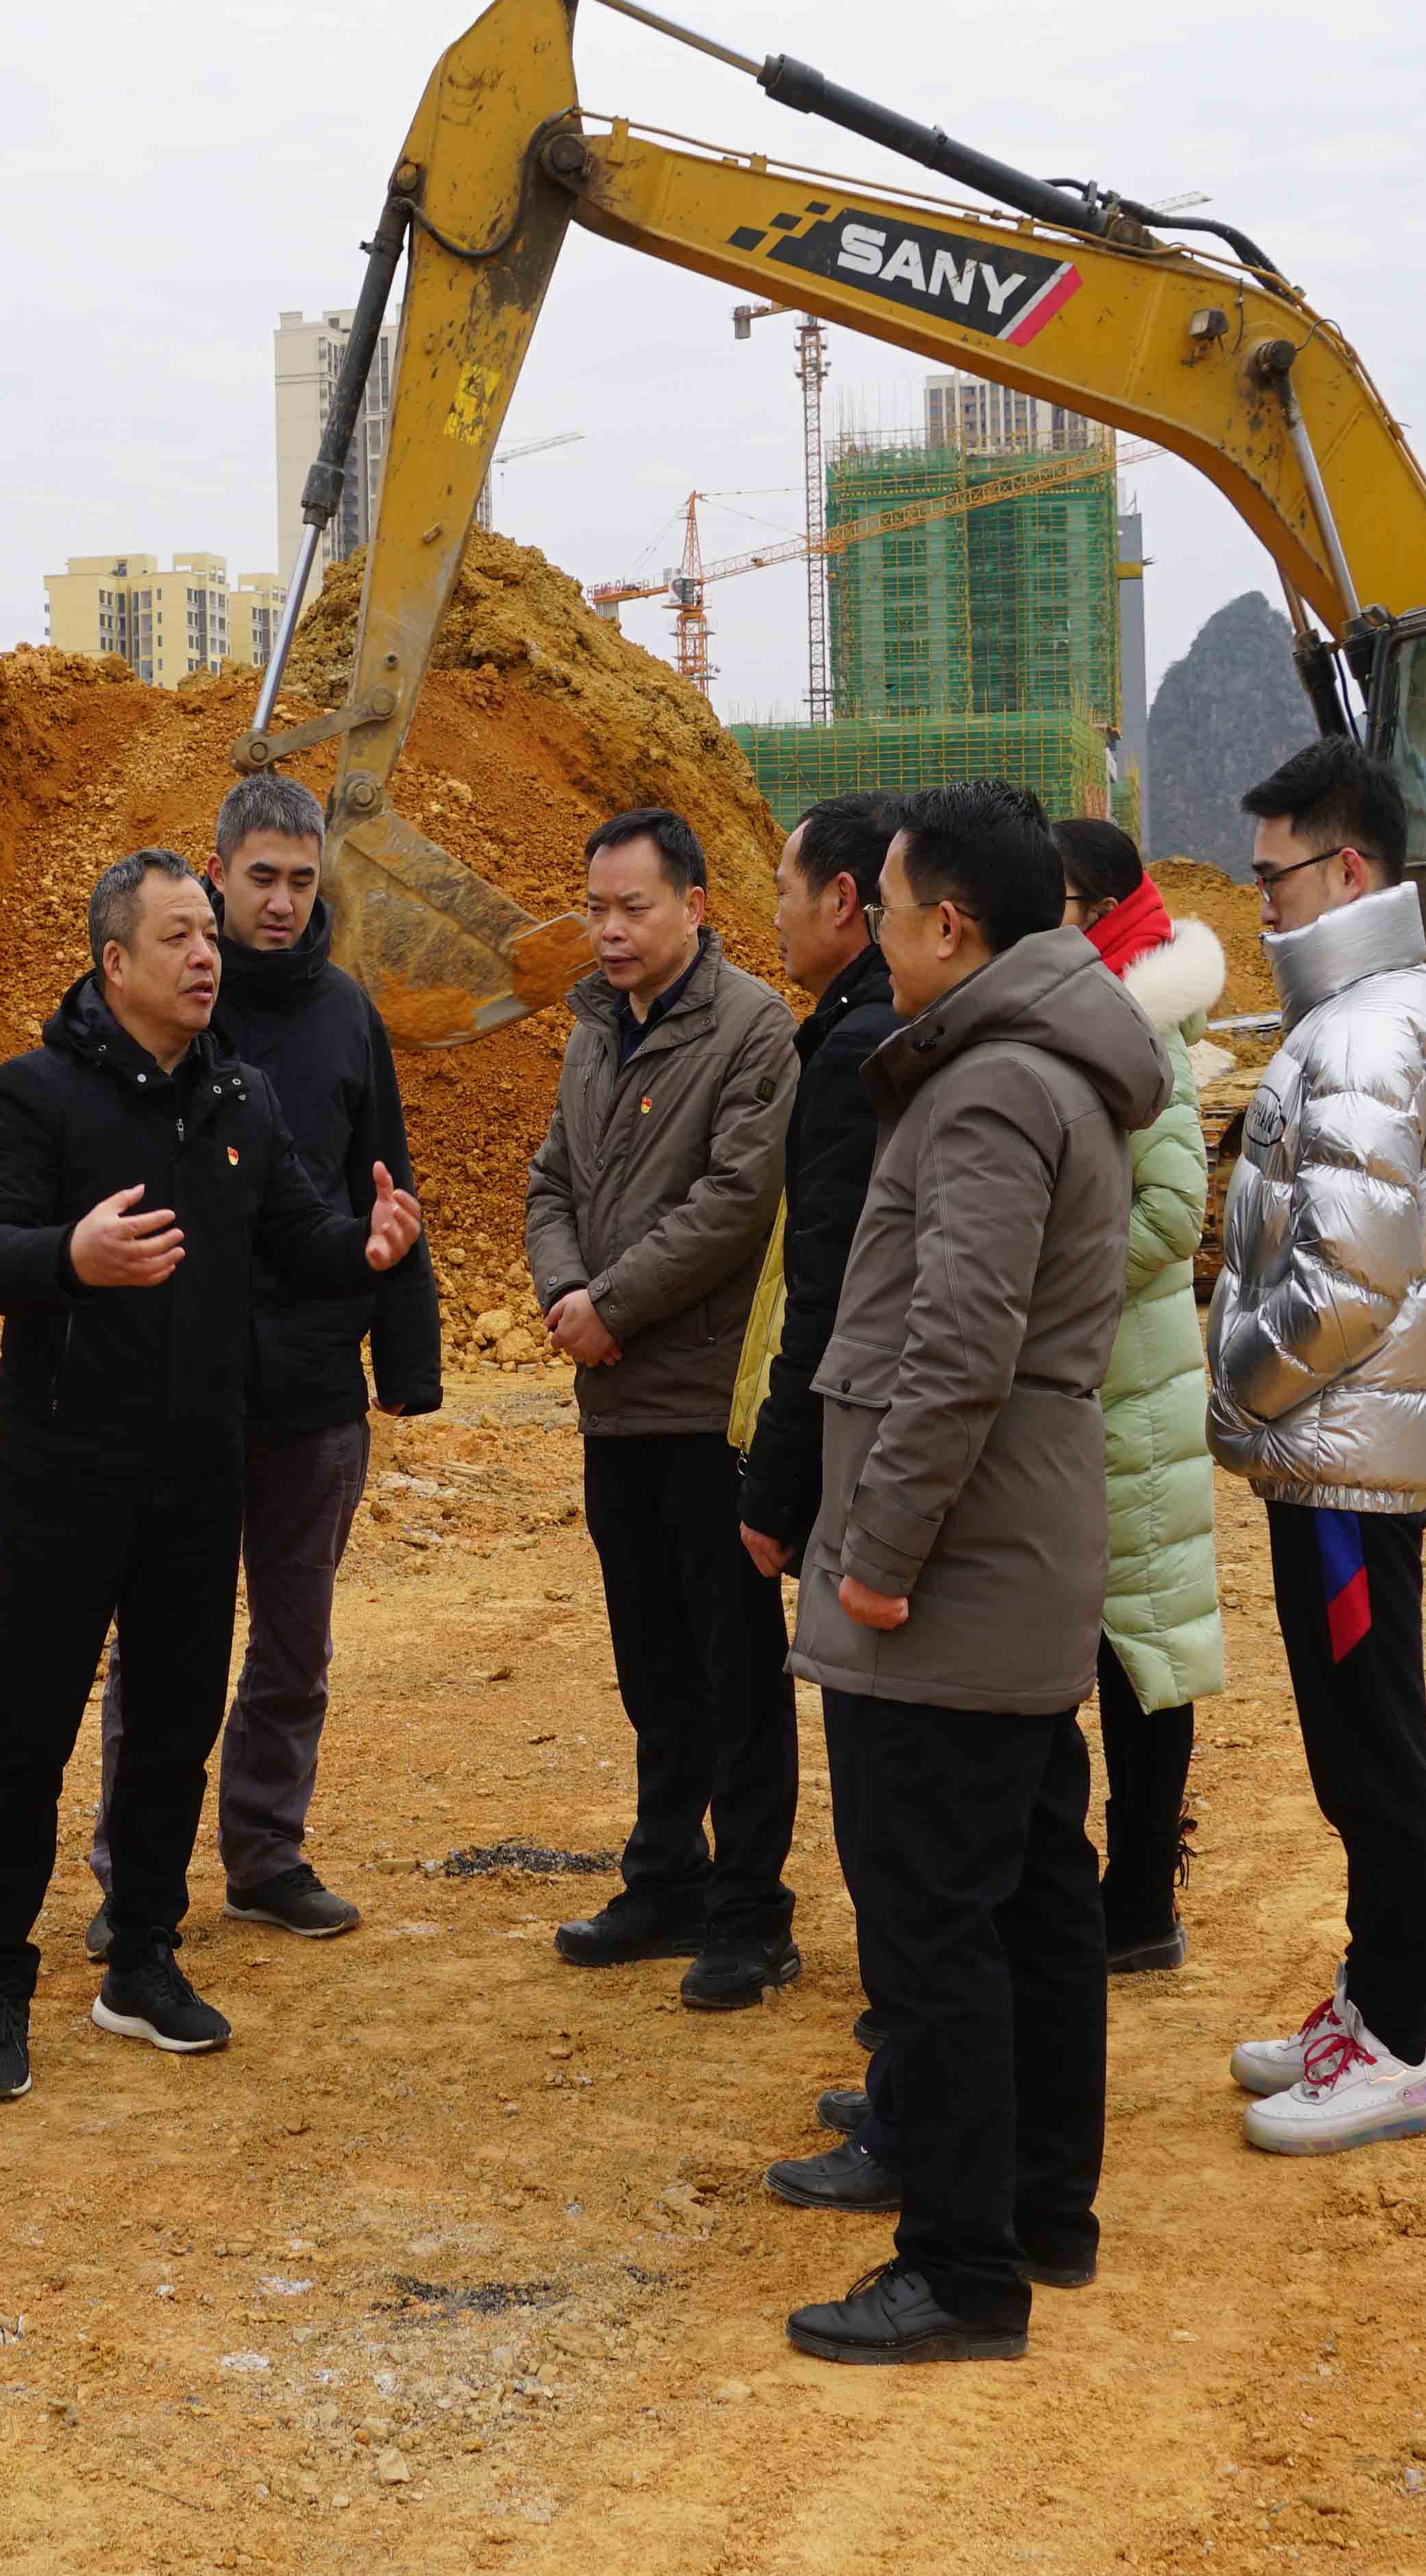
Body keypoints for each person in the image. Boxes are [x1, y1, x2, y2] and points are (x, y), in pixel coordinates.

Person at [777, 783, 1168, 2368]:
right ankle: (1039, 2213)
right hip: (1005, 1541)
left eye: (883, 908)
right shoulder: (1034, 1060)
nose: (870, 932)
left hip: (952, 1561)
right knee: (1029, 1893)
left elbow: (957, 1347)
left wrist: (876, 1556)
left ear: (950, 925)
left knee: (934, 1919)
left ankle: (957, 2268)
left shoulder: (993, 1087)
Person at [0, 849, 424, 2100]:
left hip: (202, 1466)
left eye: (209, 935)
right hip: (69, 1468)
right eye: (178, 937)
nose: (207, 955)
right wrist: (73, 1255)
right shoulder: (37, 1093)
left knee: (173, 1725)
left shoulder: (240, 1100)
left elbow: (301, 1239)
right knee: (30, 1731)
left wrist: (369, 1250)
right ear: (115, 963)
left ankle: (143, 1961)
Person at [87, 774, 439, 1949]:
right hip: (180, 1381)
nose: (282, 903)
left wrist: (408, 1358)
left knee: (295, 1642)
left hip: (312, 1386)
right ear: (218, 873)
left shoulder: (347, 1016)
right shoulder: (163, 1004)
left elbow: (385, 1184)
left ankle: (266, 1854)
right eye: (261, 879)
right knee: (156, 1645)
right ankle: (132, 1877)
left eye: (301, 880)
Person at [1212, 735, 1426, 2156]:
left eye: (1277, 876)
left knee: (1371, 1751)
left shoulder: (1365, 1034)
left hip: (1343, 1456)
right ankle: (1372, 2004)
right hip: (1337, 1449)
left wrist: (1237, 1392)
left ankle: (1403, 2045)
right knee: (1355, 1740)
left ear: (1350, 869)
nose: (1261, 902)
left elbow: (1346, 1287)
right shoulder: (1355, 1014)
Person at [525, 805, 803, 2009]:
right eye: (596, 908)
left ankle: (751, 1910)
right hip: (616, 1402)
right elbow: (549, 1181)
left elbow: (736, 1203)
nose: (611, 930)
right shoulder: (594, 1029)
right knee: (651, 1663)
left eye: (633, 907)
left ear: (695, 905)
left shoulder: (753, 1030)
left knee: (735, 1667)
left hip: (707, 1404)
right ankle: (666, 1875)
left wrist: (614, 1305)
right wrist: (565, 1293)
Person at [738, 796, 911, 2192]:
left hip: (869, 1462)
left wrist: (775, 1480)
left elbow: (835, 1285)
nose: (775, 912)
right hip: (881, 1454)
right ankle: (915, 2070)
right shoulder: (877, 1034)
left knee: (896, 1801)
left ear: (848, 901)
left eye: (786, 888)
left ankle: (921, 2104)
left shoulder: (862, 1048)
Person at [1050, 815, 1228, 1973]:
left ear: (1103, 910)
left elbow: (1170, 1215)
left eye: (1058, 898)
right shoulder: (1092, 1013)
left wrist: (1044, 1271)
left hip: (1132, 1382)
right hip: (1099, 1379)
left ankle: (1143, 1896)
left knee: (1143, 1652)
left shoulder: (1139, 1026)